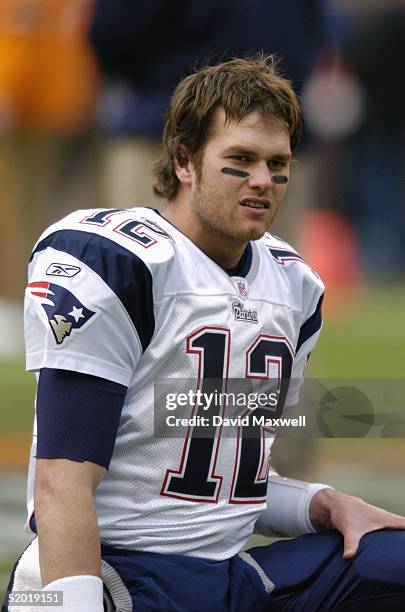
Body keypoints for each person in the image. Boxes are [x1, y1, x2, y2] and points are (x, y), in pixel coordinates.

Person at [5, 55, 405, 611]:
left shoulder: (294, 286)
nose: (263, 180)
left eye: (277, 163)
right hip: (121, 574)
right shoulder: (117, 263)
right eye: (241, 159)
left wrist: (323, 503)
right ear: (184, 160)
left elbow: (216, 473)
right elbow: (60, 484)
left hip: (226, 577)